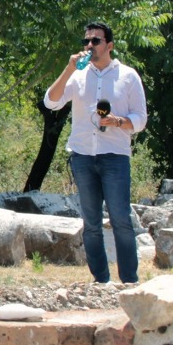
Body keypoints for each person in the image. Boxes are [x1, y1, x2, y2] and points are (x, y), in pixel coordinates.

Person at [44, 21, 148, 285]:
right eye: (86, 41)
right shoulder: (77, 75)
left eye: (96, 41)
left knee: (121, 220)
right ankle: (101, 281)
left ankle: (129, 281)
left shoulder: (128, 75)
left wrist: (118, 122)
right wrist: (69, 68)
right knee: (91, 223)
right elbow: (51, 101)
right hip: (82, 156)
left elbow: (140, 118)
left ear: (109, 46)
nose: (89, 46)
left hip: (114, 155)